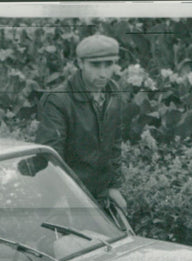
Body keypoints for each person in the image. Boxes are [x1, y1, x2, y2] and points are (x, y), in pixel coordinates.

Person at [35, 34, 127, 212]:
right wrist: (60, 197)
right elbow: (50, 156)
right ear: (80, 63)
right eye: (95, 65)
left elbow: (114, 143)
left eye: (108, 65)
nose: (103, 73)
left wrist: (113, 187)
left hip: (99, 195)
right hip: (68, 198)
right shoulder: (58, 100)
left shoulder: (113, 92)